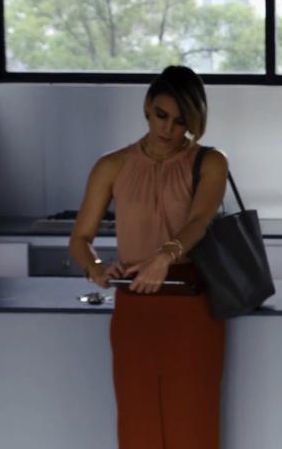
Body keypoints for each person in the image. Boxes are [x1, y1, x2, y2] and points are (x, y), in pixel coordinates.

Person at [69, 65, 228, 449]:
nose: (169, 129)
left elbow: (200, 220)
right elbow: (80, 238)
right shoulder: (112, 165)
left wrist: (165, 256)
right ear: (146, 106)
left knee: (193, 423)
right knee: (138, 423)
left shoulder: (210, 162)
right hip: (134, 309)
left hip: (193, 307)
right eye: (161, 115)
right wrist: (97, 268)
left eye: (180, 121)